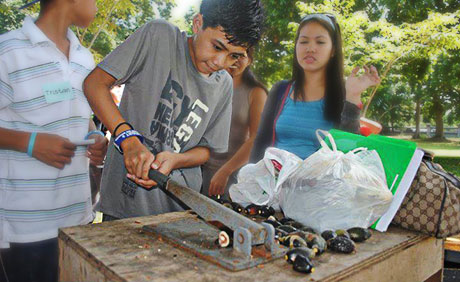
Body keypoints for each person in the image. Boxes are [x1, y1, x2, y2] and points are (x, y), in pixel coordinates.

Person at [83, 0, 265, 220]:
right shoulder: (159, 36)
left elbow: (206, 150)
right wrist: (128, 138)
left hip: (177, 210)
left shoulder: (224, 84)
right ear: (198, 23)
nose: (220, 62)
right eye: (217, 47)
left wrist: (176, 160)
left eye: (234, 56)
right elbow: (94, 84)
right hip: (124, 204)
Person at [0, 0, 107, 281]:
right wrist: (28, 142)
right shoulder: (8, 51)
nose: (96, 5)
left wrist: (94, 136)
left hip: (78, 220)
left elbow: (79, 117)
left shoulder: (85, 59)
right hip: (25, 229)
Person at [250, 13, 381, 163]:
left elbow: (347, 151)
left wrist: (353, 95)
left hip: (321, 184)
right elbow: (261, 142)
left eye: (320, 42)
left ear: (333, 50)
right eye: (304, 41)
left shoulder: (344, 93)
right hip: (275, 180)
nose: (310, 48)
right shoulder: (280, 89)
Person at [202, 47, 267, 198]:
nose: (235, 60)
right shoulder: (211, 86)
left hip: (232, 176)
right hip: (201, 170)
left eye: (241, 56)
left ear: (249, 60)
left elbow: (256, 139)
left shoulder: (256, 92)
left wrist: (225, 171)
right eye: (232, 55)